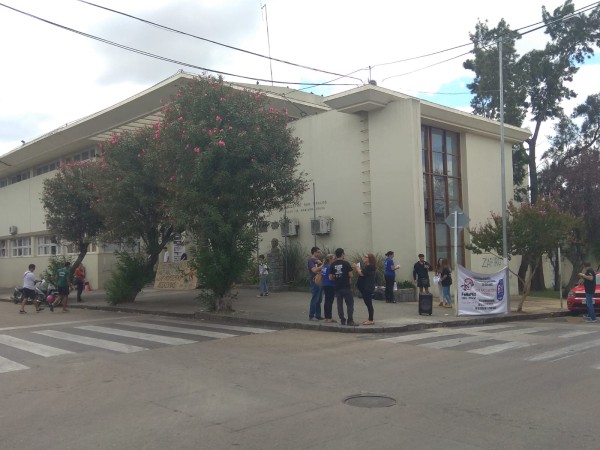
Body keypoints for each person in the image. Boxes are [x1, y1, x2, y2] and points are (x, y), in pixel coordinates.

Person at [329, 248, 357, 326]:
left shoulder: (333, 264)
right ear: (342, 254)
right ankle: (350, 320)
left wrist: (336, 276)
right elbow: (351, 275)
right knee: (350, 303)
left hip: (337, 287)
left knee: (339, 304)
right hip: (346, 286)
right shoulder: (346, 263)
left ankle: (342, 320)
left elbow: (330, 277)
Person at [355, 253, 377, 325]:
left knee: (369, 303)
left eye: (366, 257)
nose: (364, 258)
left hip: (367, 288)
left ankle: (371, 320)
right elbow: (363, 273)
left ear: (369, 259)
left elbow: (362, 274)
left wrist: (357, 268)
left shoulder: (370, 267)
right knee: (368, 303)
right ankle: (370, 319)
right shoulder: (368, 267)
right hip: (366, 287)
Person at [307, 247, 323, 320]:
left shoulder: (318, 261)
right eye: (318, 252)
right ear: (314, 252)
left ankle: (318, 315)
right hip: (314, 280)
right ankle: (311, 315)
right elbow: (314, 270)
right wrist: (322, 265)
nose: (319, 253)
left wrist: (321, 264)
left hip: (320, 280)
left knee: (319, 299)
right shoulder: (311, 261)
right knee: (315, 298)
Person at [321, 254, 337, 323]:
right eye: (334, 259)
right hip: (330, 285)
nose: (335, 260)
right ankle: (329, 317)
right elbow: (330, 277)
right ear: (330, 259)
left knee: (326, 301)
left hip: (325, 284)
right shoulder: (331, 267)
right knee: (330, 301)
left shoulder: (324, 267)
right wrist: (336, 277)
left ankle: (326, 317)